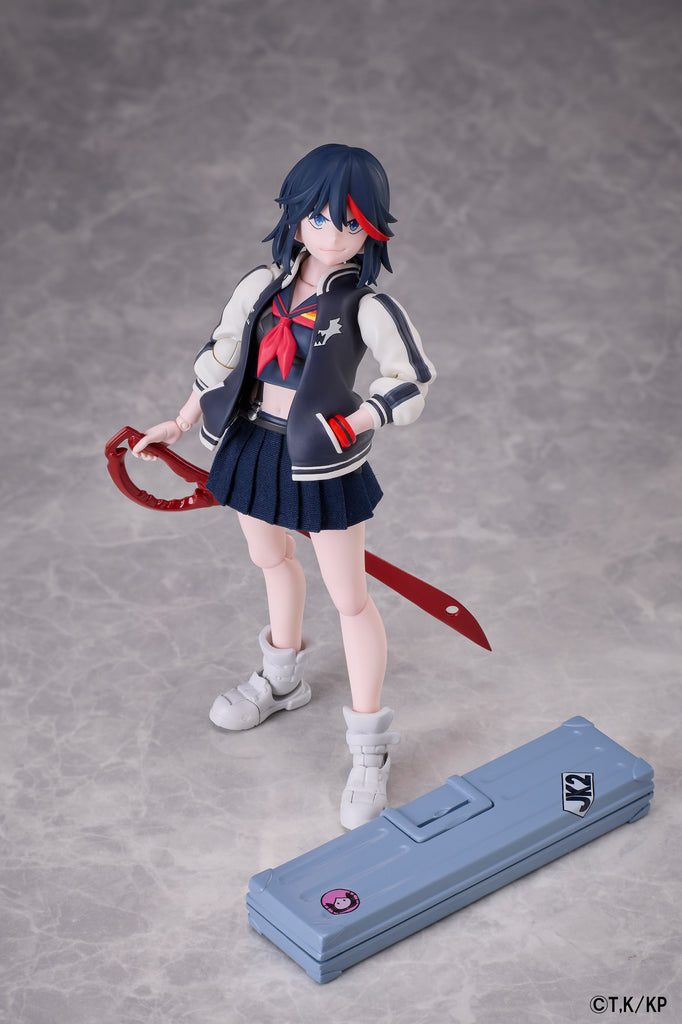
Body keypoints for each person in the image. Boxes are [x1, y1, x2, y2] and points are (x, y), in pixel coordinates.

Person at [132, 144, 436, 828]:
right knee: (270, 558)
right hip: (251, 441)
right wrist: (179, 422)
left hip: (322, 458)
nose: (331, 234)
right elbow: (223, 358)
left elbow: (412, 379)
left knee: (350, 597)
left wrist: (359, 419)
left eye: (350, 222)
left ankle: (370, 749)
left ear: (371, 228)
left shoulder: (369, 306)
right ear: (296, 216)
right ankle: (280, 678)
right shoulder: (261, 287)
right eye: (319, 217)